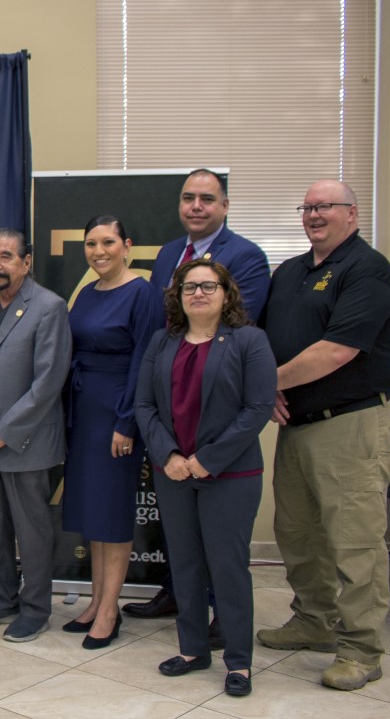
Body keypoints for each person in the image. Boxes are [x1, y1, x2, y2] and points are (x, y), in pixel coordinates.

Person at [257, 180, 390, 691]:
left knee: (353, 540)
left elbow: (336, 350)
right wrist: (271, 384)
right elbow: (265, 338)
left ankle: (362, 648)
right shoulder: (292, 272)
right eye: (308, 207)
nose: (314, 215)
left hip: (352, 424)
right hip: (297, 424)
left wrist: (265, 383)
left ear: (353, 214)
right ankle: (314, 620)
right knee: (298, 533)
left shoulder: (369, 271)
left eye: (326, 207)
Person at [127, 169, 272, 623]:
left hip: (216, 400)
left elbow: (234, 320)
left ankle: (219, 619)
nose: (196, 206)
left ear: (224, 206)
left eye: (207, 199)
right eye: (188, 197)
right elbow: (163, 321)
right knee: (181, 528)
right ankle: (177, 596)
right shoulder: (171, 252)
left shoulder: (246, 256)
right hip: (171, 395)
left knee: (218, 536)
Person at [135, 259, 276, 698]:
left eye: (208, 286)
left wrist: (207, 460)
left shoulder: (250, 340)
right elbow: (144, 406)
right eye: (189, 286)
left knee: (227, 567)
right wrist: (170, 455)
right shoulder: (163, 341)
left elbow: (257, 409)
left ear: (226, 293)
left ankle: (239, 661)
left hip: (230, 474)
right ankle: (194, 649)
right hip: (173, 471)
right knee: (186, 564)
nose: (198, 293)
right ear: (177, 296)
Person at [0, 228, 71, 642]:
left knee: (32, 530)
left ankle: (36, 608)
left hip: (26, 441)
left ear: (27, 262)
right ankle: (0, 599)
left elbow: (48, 383)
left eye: (6, 256)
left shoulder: (48, 307)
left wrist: (3, 433)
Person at [62, 215, 163, 649]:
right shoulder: (85, 293)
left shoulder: (143, 294)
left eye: (107, 242)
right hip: (83, 410)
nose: (98, 251)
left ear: (128, 245)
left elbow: (146, 361)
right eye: (90, 244)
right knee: (93, 513)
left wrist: (127, 422)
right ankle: (97, 599)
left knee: (114, 512)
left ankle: (110, 610)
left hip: (117, 413)